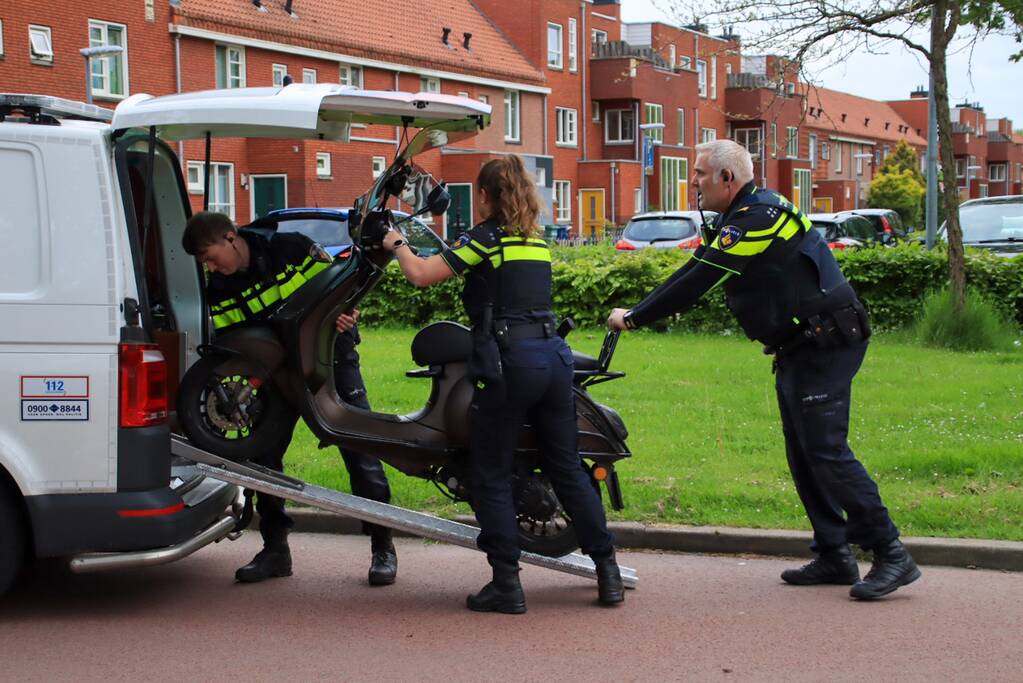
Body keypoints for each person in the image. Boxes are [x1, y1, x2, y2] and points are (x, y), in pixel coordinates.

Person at [607, 140, 920, 601]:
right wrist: (638, 309)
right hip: (801, 344)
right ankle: (835, 552)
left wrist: (634, 316)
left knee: (826, 450)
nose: (692, 182)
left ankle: (891, 552)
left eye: (699, 174)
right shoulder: (745, 214)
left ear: (726, 179)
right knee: (803, 451)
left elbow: (699, 278)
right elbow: (696, 267)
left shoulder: (757, 218)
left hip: (826, 341)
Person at [379, 156, 624, 613]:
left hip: (511, 364)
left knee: (490, 469)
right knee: (567, 467)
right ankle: (607, 571)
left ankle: (507, 585)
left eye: (480, 194)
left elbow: (421, 275)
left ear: (487, 196)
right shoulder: (536, 242)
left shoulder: (486, 239)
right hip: (554, 360)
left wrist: (396, 243)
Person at [182, 211, 398, 587]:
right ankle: (275, 550)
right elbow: (235, 344)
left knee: (362, 450)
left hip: (327, 362)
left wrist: (347, 315)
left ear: (231, 238)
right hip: (272, 376)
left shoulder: (292, 248)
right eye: (202, 262)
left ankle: (383, 547)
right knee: (263, 461)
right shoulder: (217, 289)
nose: (209, 266)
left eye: (209, 254)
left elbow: (340, 292)